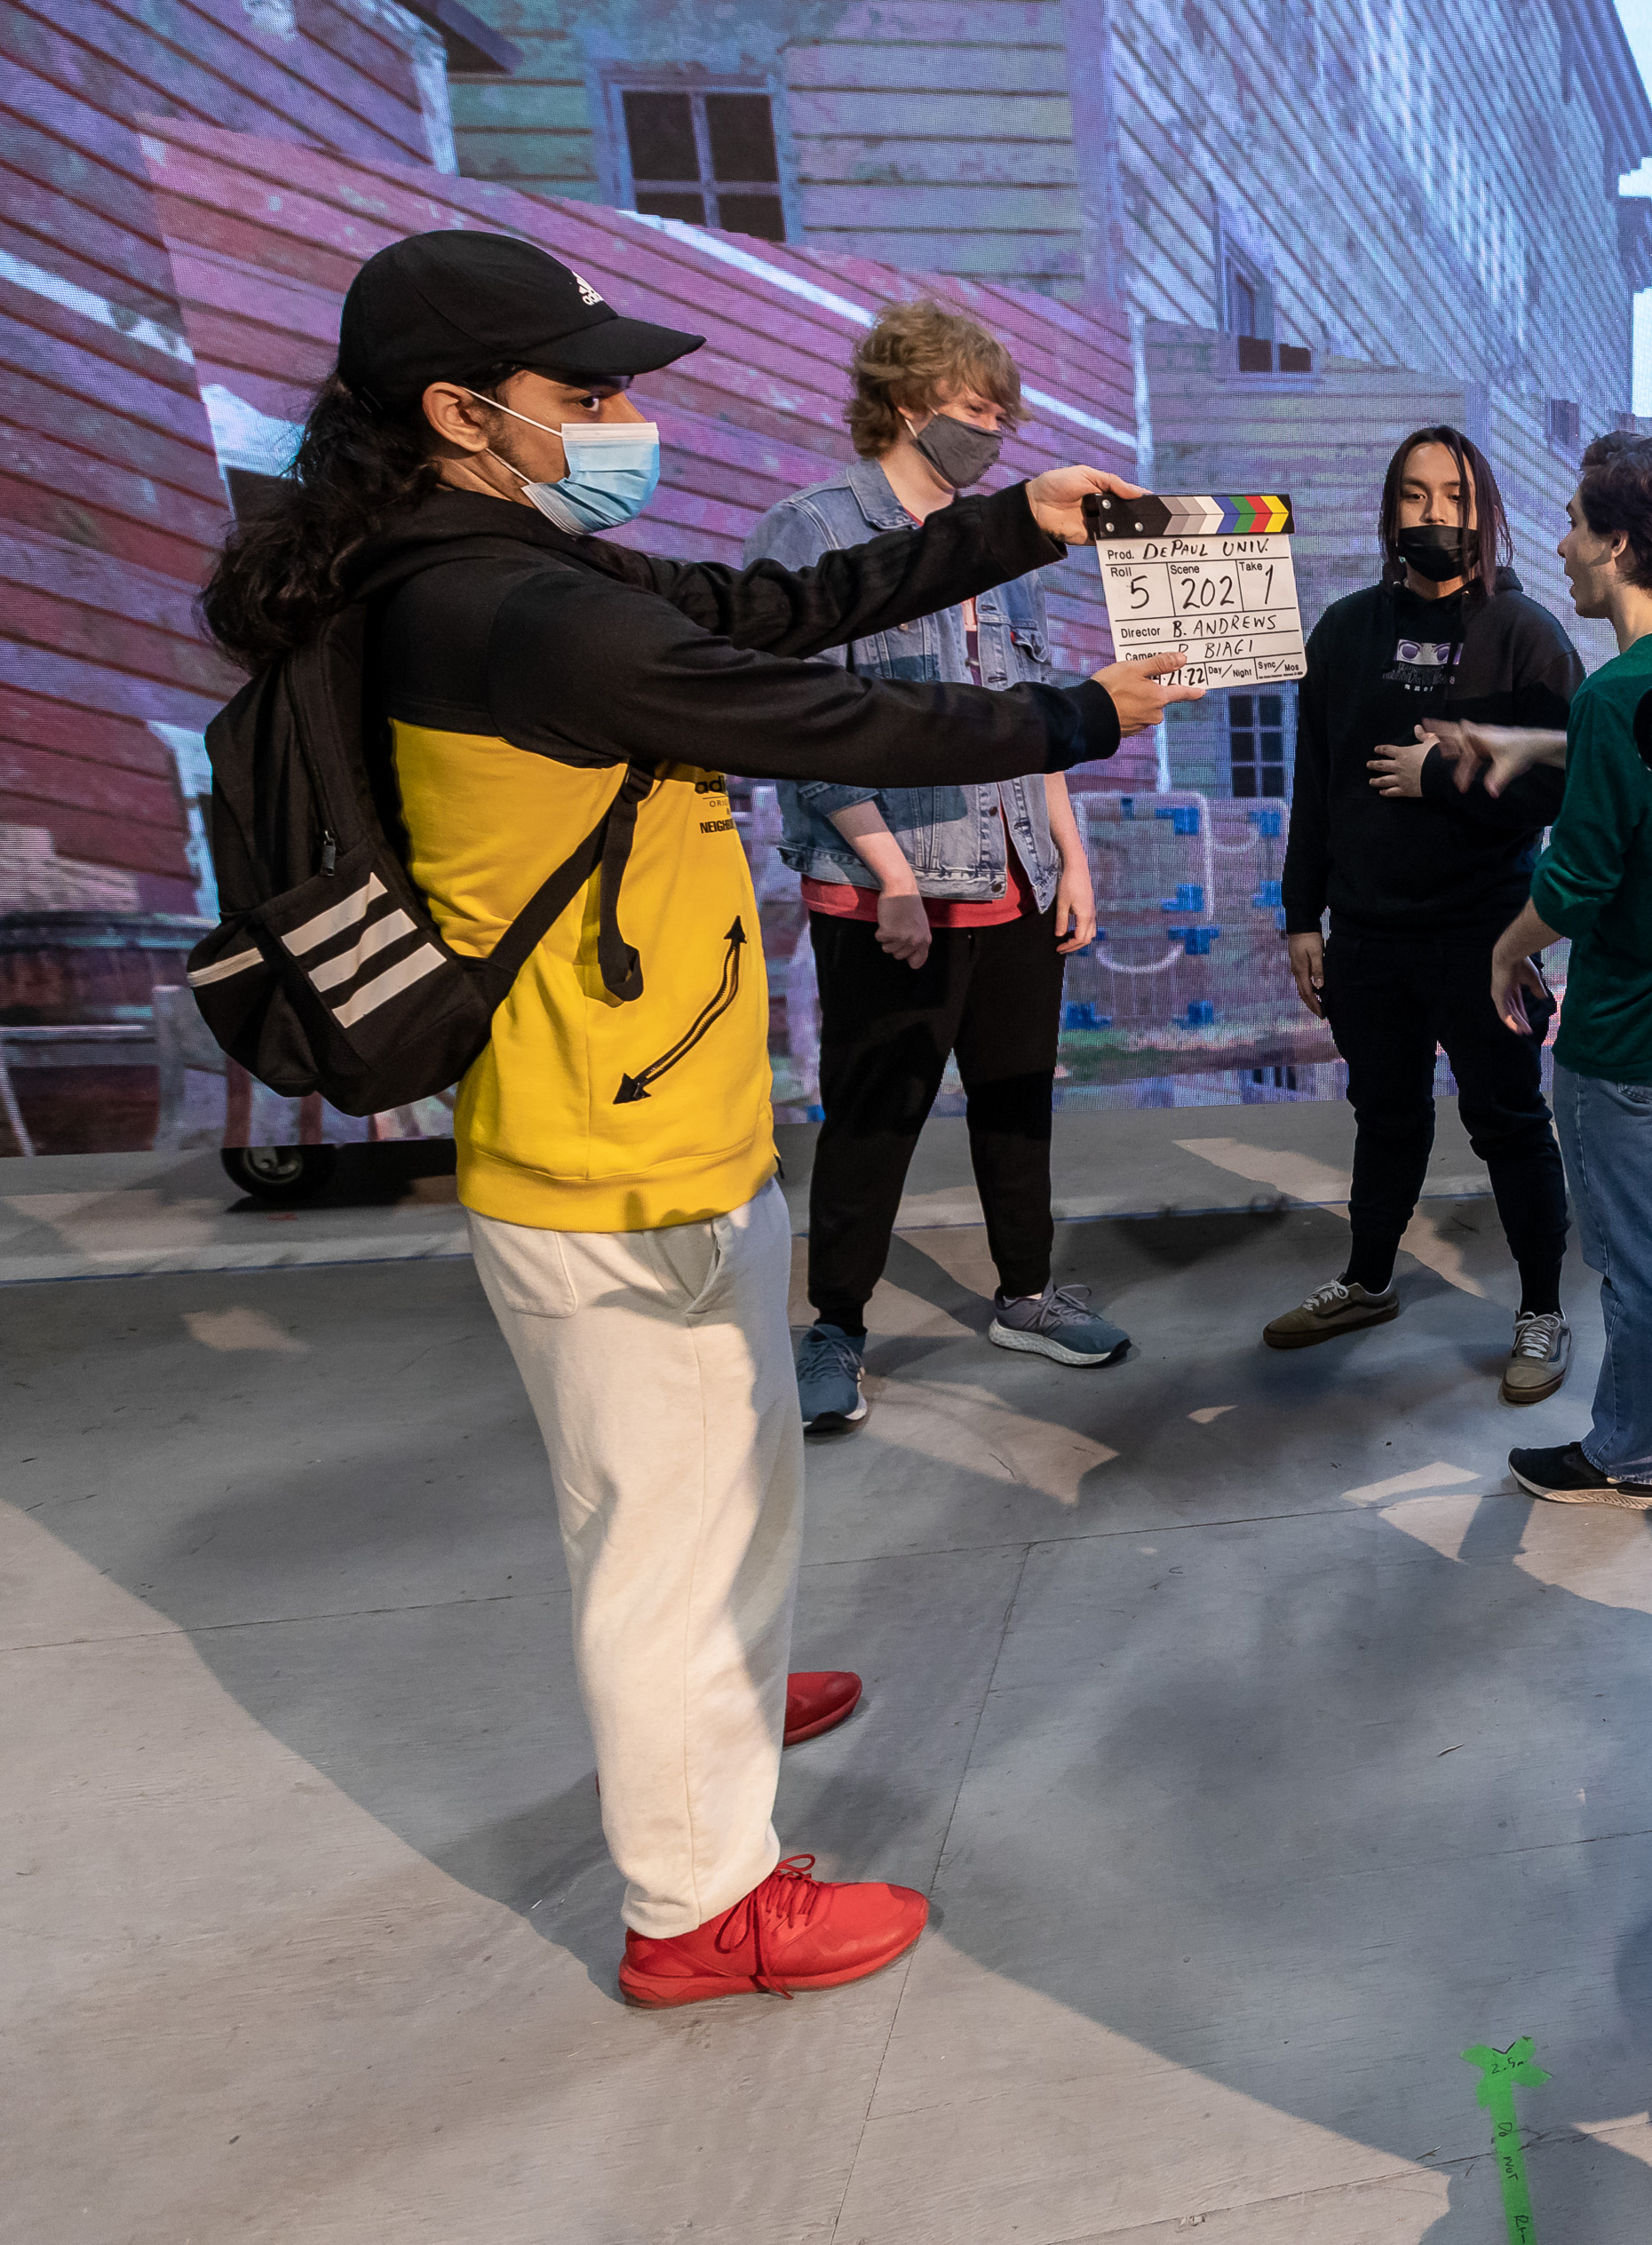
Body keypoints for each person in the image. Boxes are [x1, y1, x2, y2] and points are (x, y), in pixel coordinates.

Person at [197, 230, 1195, 2011]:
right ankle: (698, 1907)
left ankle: (719, 1696)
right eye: (584, 395)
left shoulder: (483, 557)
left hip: (642, 1114)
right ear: (455, 411)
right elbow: (809, 700)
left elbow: (761, 609)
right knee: (662, 1533)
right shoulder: (512, 610)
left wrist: (1007, 522)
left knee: (691, 1487)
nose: (621, 418)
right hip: (613, 1148)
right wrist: (1071, 712)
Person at [746, 298, 1126, 1438]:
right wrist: (889, 875)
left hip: (1010, 872)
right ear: (908, 400)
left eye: (1005, 408)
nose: (997, 424)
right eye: (977, 405)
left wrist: (1071, 854)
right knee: (875, 1116)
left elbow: (1033, 718)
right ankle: (839, 1327)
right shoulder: (813, 531)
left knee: (1017, 1101)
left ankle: (1023, 1293)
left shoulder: (1005, 552)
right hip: (887, 891)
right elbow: (793, 725)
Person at [1266, 427, 1584, 1401]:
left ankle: (1540, 1309)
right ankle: (1367, 1280)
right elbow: (1314, 784)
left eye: (1451, 494)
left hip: (1486, 937)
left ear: (1481, 508)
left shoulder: (1525, 632)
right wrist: (1301, 914)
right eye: (1412, 494)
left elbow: (1568, 786)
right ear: (1389, 509)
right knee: (1384, 1115)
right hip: (1366, 932)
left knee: (1509, 1123)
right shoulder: (1346, 630)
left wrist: (1444, 775)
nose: (1432, 513)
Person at [1482, 432, 1652, 1509]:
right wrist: (1535, 744)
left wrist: (1505, 949)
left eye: (1575, 525)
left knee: (1638, 1256)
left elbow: (1577, 888)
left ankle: (1631, 1454)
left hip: (1625, 1034)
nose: (1559, 545)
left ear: (1620, 544)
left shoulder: (1609, 701)